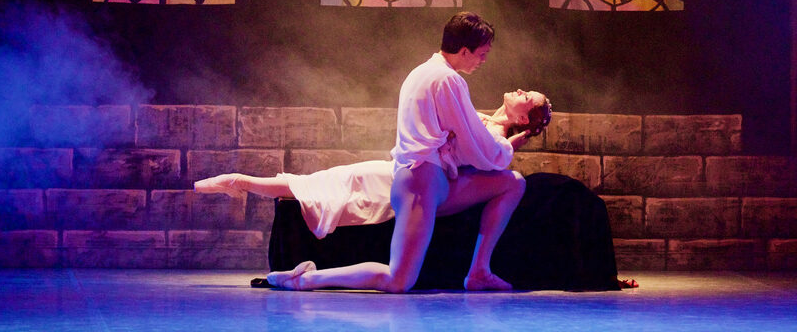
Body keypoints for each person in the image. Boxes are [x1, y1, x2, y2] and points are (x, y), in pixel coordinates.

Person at [257, 12, 533, 292]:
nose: (483, 60)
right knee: (399, 279)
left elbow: (465, 136)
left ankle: (479, 271)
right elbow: (475, 144)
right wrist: (505, 147)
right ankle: (305, 279)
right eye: (482, 54)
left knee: (513, 182)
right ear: (464, 51)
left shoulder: (423, 73)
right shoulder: (447, 80)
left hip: (431, 180)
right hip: (421, 180)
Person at [194, 88, 551, 239]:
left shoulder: (496, 137)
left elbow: (492, 162)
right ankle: (239, 181)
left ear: (523, 118)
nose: (520, 91)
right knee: (333, 179)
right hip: (412, 171)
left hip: (424, 181)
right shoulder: (485, 121)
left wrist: (509, 144)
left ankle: (240, 181)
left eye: (527, 97)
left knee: (333, 181)